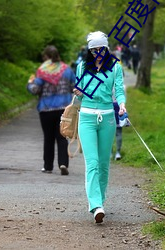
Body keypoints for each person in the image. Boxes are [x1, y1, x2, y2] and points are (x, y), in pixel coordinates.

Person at [73, 31, 126, 223]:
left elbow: (119, 90)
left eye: (100, 49)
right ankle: (95, 205)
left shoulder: (115, 68)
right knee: (92, 163)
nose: (97, 53)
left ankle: (100, 201)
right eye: (93, 50)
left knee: (104, 164)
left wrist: (121, 104)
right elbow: (79, 96)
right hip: (86, 117)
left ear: (106, 49)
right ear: (89, 50)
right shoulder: (81, 67)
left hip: (108, 118)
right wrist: (78, 92)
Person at [27, 45, 75, 175]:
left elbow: (35, 90)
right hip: (63, 109)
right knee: (62, 136)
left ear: (46, 57)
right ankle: (63, 163)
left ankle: (48, 167)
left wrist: (30, 83)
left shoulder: (42, 71)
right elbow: (74, 87)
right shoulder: (67, 70)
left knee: (48, 138)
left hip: (46, 109)